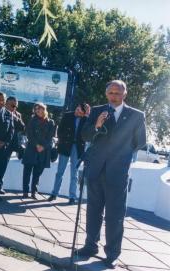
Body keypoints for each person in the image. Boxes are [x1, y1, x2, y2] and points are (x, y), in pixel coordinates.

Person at [76, 80, 146, 268]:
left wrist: (121, 154)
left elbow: (140, 142)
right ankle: (90, 247)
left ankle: (112, 253)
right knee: (93, 212)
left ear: (125, 94)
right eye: (111, 93)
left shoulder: (136, 116)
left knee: (115, 215)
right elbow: (85, 135)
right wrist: (97, 125)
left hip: (118, 172)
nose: (114, 96)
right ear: (106, 94)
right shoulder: (97, 111)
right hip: (95, 169)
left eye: (118, 93)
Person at [48, 103, 90, 204]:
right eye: (77, 109)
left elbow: (88, 133)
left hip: (77, 148)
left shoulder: (86, 120)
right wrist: (63, 140)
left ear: (84, 113)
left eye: (80, 111)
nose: (77, 112)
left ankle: (72, 196)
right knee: (60, 172)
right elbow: (60, 130)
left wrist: (88, 116)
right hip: (65, 146)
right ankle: (54, 193)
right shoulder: (67, 115)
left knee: (74, 174)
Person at [22, 103, 55, 199]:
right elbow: (29, 134)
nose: (38, 111)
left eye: (39, 109)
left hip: (43, 151)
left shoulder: (50, 122)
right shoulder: (32, 120)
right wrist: (37, 145)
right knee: (27, 171)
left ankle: (33, 192)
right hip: (32, 149)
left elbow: (50, 137)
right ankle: (25, 192)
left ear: (44, 110)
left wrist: (43, 146)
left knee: (37, 173)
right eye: (36, 109)